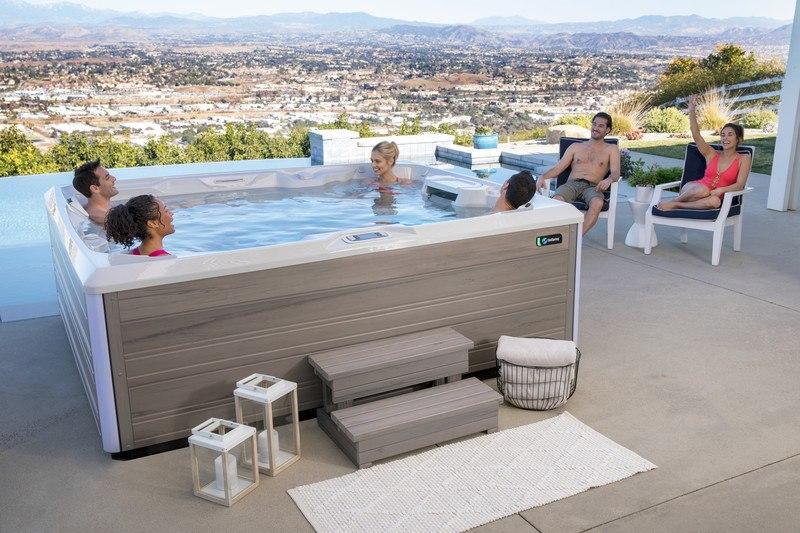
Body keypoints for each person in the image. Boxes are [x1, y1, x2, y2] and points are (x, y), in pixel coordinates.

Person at [656, 95, 751, 211]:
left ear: (738, 139)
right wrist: (691, 110)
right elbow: (696, 135)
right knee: (703, 190)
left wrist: (722, 190)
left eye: (730, 134)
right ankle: (673, 201)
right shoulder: (712, 153)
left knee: (715, 202)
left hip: (712, 196)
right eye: (723, 135)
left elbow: (739, 185)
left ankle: (677, 205)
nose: (725, 138)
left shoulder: (743, 158)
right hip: (692, 190)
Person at [536, 112, 620, 235]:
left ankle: (576, 237)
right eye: (594, 124)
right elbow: (558, 168)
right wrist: (543, 176)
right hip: (572, 184)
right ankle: (558, 236)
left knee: (597, 202)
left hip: (593, 187)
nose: (595, 128)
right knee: (557, 200)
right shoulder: (575, 147)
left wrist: (609, 180)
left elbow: (616, 172)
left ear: (608, 130)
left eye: (600, 126)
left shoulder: (611, 149)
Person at [104, 194, 174, 257]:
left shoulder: (131, 255)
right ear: (153, 223)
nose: (171, 213)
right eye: (166, 211)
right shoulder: (166, 259)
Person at [72, 160, 118, 225]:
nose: (114, 178)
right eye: (107, 178)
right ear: (95, 188)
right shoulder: (104, 219)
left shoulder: (106, 213)